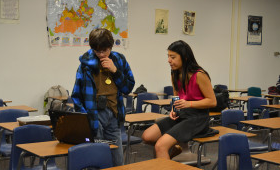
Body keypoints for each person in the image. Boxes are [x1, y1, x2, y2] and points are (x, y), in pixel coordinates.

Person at [142, 40, 216, 159]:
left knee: (161, 146)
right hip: (182, 114)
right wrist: (173, 109)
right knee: (147, 136)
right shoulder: (174, 73)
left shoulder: (200, 75)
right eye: (168, 57)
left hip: (198, 118)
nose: (169, 60)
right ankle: (177, 148)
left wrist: (189, 104)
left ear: (185, 57)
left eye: (173, 57)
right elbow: (177, 96)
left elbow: (212, 101)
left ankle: (167, 154)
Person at [71, 28, 135, 166]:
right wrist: (85, 118)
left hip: (113, 114)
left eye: (104, 50)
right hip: (94, 116)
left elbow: (128, 88)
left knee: (117, 160)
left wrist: (115, 71)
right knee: (97, 159)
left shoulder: (119, 60)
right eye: (97, 51)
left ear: (111, 47)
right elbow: (76, 96)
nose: (101, 54)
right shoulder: (85, 65)